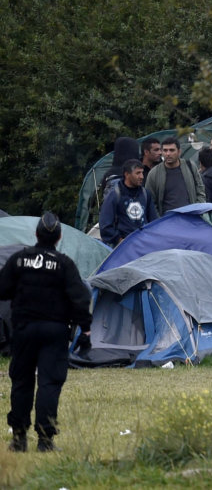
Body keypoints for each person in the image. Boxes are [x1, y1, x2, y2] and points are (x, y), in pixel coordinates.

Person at [0, 212, 92, 452]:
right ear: (59, 237)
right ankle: (45, 440)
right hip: (55, 331)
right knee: (49, 383)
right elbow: (80, 299)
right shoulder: (64, 264)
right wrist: (86, 329)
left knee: (21, 381)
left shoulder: (19, 260)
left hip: (23, 330)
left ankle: (19, 439)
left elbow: (2, 289)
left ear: (35, 235)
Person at [99, 159, 159, 247]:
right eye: (138, 173)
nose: (142, 176)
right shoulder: (114, 195)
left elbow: (153, 221)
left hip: (144, 244)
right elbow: (105, 225)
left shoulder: (145, 194)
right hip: (123, 246)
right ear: (127, 174)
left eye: (142, 173)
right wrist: (119, 240)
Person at [144, 137, 206, 215]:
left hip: (190, 218)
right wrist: (160, 221)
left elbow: (200, 190)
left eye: (172, 150)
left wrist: (197, 211)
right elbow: (150, 201)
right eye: (165, 150)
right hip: (167, 221)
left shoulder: (190, 166)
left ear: (179, 152)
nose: (168, 154)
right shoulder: (154, 173)